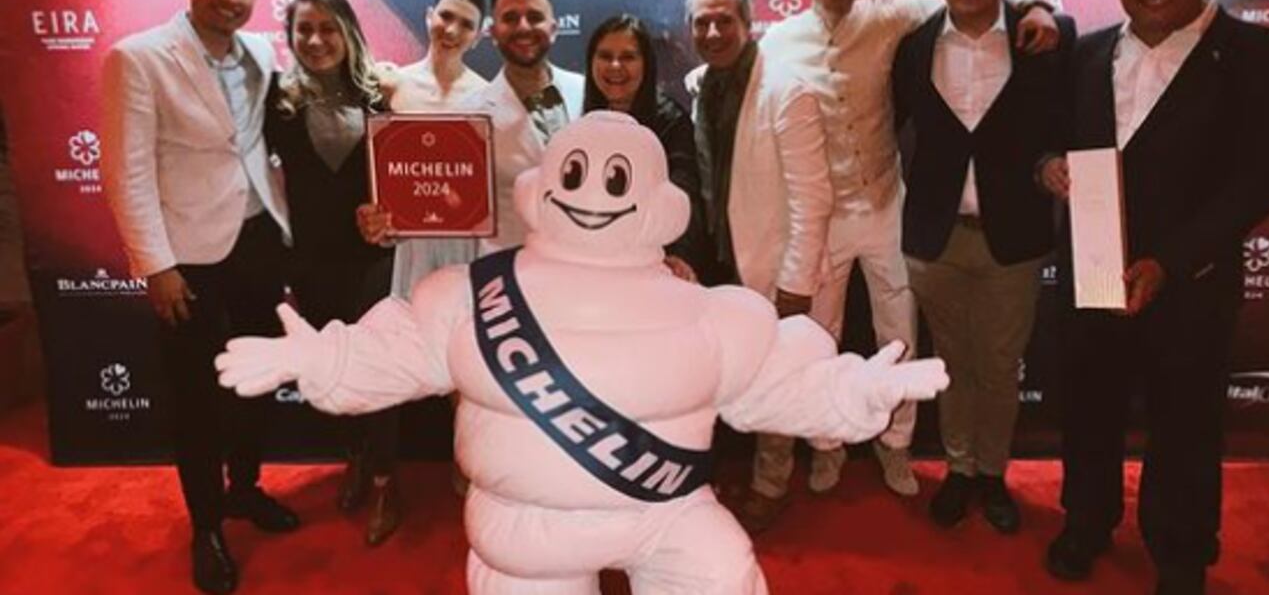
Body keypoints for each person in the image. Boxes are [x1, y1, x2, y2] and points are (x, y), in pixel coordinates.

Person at [215, 111, 950, 594]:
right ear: (540, 190)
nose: (594, 192)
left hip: (669, 518)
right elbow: (401, 351)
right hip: (526, 532)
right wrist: (320, 362)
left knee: (723, 574)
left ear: (662, 206)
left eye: (617, 179)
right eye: (575, 173)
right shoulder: (473, 295)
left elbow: (768, 386)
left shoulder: (704, 309)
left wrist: (851, 394)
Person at [758, 0, 1061, 503]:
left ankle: (895, 445)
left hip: (886, 205)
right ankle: (828, 446)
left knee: (900, 336)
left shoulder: (893, 16)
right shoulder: (777, 41)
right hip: (820, 218)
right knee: (820, 340)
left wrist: (1038, 8)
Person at [1038, 0, 1269, 595]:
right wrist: (1047, 166)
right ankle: (1086, 520)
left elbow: (1261, 177)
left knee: (1186, 423)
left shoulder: (1255, 54)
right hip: (1091, 276)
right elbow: (1050, 143)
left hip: (1192, 284)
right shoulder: (1084, 55)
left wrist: (1171, 261)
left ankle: (1180, 550)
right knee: (1088, 410)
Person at [100, 0, 298, 595]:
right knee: (196, 398)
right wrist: (156, 266)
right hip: (188, 258)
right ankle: (206, 526)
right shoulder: (139, 57)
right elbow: (126, 171)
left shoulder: (264, 54)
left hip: (260, 242)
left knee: (257, 383)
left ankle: (244, 489)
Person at [891, 0, 1075, 534]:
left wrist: (1040, 8)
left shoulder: (1046, 36)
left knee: (998, 366)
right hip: (935, 239)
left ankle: (993, 473)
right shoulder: (913, 46)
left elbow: (1063, 126)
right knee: (952, 362)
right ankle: (960, 470)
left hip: (1013, 240)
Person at [683, 0, 834, 533]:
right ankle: (725, 473)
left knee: (774, 382)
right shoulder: (701, 84)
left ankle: (772, 482)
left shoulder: (786, 89)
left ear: (748, 24)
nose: (714, 30)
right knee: (721, 380)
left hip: (771, 271)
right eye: (703, 21)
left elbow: (813, 197)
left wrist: (795, 286)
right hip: (718, 266)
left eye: (725, 20)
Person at [262, 0, 398, 546]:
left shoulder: (384, 99)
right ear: (290, 38)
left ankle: (389, 482)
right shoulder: (278, 103)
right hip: (312, 264)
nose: (316, 40)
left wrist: (394, 219)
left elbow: (413, 181)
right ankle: (356, 459)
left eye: (328, 28)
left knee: (381, 375)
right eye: (304, 30)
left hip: (375, 262)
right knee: (332, 374)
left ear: (349, 34)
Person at [355, 0, 491, 508]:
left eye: (465, 24)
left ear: (478, 36)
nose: (451, 30)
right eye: (446, 17)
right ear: (429, 15)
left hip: (465, 250)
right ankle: (383, 483)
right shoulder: (390, 84)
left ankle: (470, 475)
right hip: (407, 246)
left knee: (464, 372)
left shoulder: (486, 95)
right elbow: (370, 172)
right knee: (395, 366)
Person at [465, 0, 585, 253]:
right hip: (509, 274)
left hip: (588, 269)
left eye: (534, 17)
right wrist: (392, 224)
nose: (523, 27)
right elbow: (444, 199)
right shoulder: (469, 114)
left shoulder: (590, 92)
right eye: (510, 18)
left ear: (554, 28)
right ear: (492, 33)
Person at [583, 14, 706, 280]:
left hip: (653, 266)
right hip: (597, 267)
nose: (615, 66)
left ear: (646, 65)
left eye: (628, 57)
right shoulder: (583, 121)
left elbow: (685, 193)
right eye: (605, 56)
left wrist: (679, 256)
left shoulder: (671, 121)